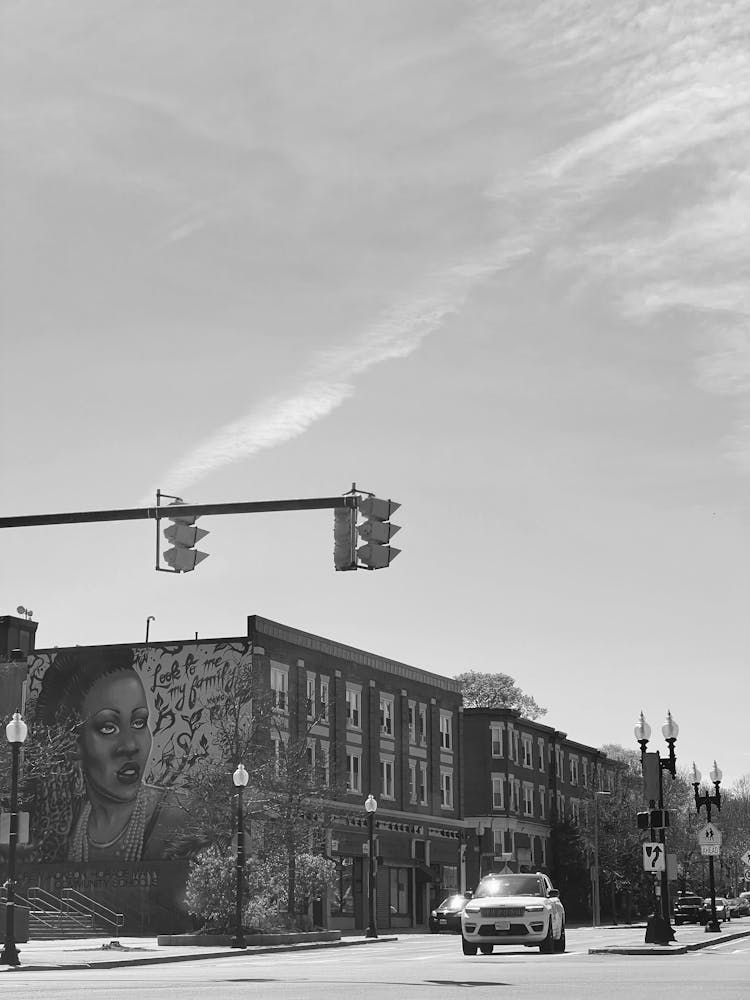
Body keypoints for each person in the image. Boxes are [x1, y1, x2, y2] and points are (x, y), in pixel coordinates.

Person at [35, 646, 185, 862]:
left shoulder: (179, 817)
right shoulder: (65, 825)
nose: (130, 745)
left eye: (139, 722)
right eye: (108, 727)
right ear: (72, 744)